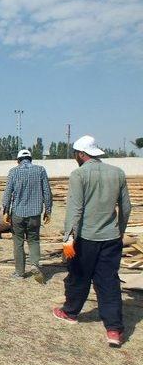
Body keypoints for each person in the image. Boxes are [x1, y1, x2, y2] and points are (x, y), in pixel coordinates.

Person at [53, 135, 131, 347]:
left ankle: (70, 313)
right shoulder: (118, 173)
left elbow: (75, 209)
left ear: (80, 154)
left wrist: (68, 238)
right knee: (108, 282)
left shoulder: (79, 175)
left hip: (86, 238)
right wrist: (120, 231)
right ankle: (114, 329)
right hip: (111, 238)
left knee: (78, 276)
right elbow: (126, 208)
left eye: (75, 155)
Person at [2, 149, 53, 283]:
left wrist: (5, 211)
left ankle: (19, 272)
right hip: (35, 214)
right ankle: (35, 265)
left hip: (18, 214)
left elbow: (7, 193)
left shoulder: (13, 172)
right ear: (31, 159)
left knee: (18, 242)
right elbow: (47, 192)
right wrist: (48, 210)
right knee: (34, 240)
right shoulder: (40, 170)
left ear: (18, 161)